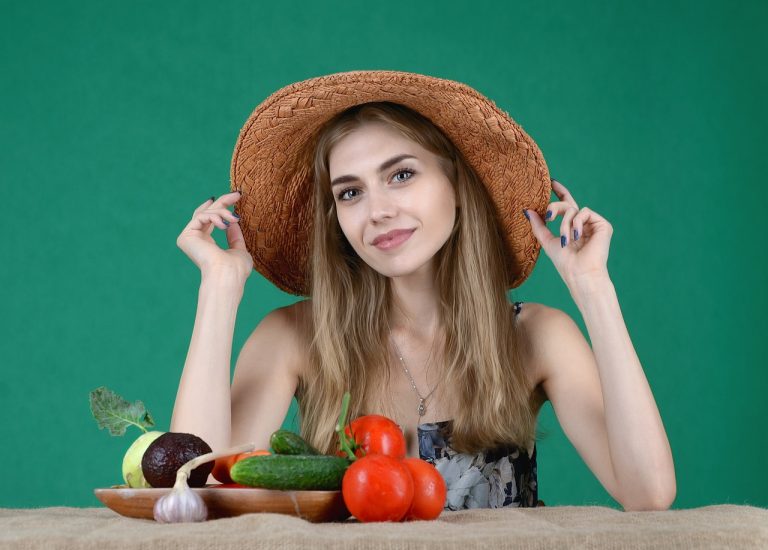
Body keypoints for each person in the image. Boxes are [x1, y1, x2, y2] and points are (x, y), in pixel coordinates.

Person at [171, 71, 675, 511]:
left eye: (402, 175)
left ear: (456, 183)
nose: (378, 210)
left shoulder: (537, 335)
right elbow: (191, 485)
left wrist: (594, 290)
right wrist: (219, 289)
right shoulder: (294, 335)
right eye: (350, 192)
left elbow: (648, 493)